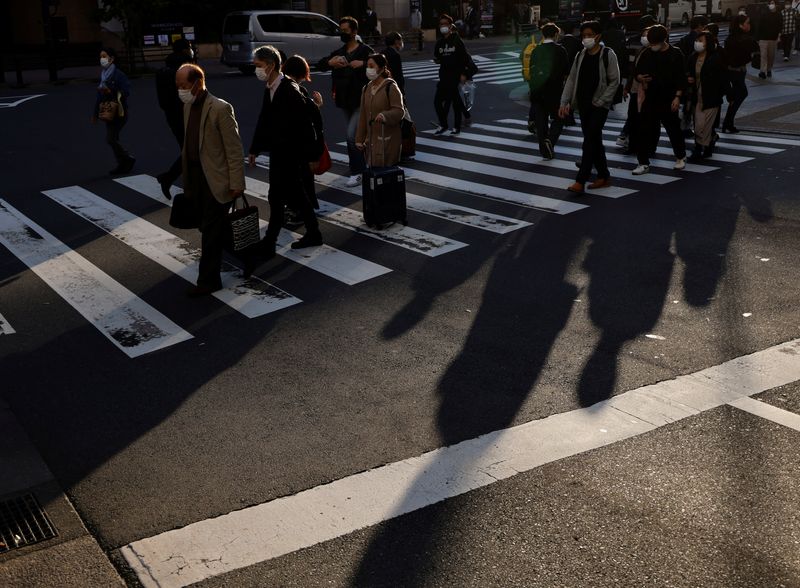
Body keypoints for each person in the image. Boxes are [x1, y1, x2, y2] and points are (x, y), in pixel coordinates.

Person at [247, 46, 323, 270]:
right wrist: (254, 148)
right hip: (279, 152)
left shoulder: (290, 90)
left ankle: (270, 243)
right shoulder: (270, 88)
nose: (257, 70)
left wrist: (311, 156)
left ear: (270, 66)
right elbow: (264, 119)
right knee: (293, 195)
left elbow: (307, 126)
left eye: (258, 66)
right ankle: (313, 233)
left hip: (292, 154)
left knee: (277, 196)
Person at [175, 63, 245, 297]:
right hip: (196, 179)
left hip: (216, 180)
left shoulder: (220, 108)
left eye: (183, 85)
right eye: (178, 86)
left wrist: (236, 183)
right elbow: (189, 145)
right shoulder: (188, 107)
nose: (180, 90)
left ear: (197, 83)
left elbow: (234, 150)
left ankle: (208, 281)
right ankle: (249, 258)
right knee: (211, 228)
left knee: (211, 232)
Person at [558, 20, 620, 193]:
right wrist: (565, 101)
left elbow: (614, 81)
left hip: (600, 105)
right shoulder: (580, 55)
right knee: (594, 140)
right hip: (583, 104)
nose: (586, 38)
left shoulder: (608, 54)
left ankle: (581, 180)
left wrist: (602, 101)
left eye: (590, 35)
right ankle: (604, 176)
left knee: (589, 140)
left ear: (598, 36)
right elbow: (571, 79)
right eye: (584, 35)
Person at [317, 17, 372, 187]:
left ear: (354, 32)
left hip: (361, 100)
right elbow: (320, 65)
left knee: (351, 136)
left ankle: (357, 172)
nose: (342, 33)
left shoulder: (365, 51)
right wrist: (330, 62)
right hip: (344, 99)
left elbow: (383, 65)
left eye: (345, 31)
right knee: (357, 136)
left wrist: (363, 64)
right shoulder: (339, 52)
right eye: (340, 30)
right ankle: (363, 164)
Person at [631, 25, 688, 176]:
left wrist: (677, 97)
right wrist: (640, 78)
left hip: (668, 97)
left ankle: (680, 156)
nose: (652, 46)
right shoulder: (647, 53)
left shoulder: (675, 54)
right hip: (650, 96)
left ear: (664, 40)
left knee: (673, 128)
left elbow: (681, 77)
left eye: (654, 42)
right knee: (643, 129)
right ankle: (643, 162)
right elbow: (636, 72)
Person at [282, 54, 324, 225]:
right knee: (303, 181)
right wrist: (317, 106)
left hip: (291, 146)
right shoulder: (297, 90)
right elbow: (312, 123)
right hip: (302, 147)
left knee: (296, 181)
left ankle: (298, 211)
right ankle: (301, 211)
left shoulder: (284, 87)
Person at [155, 39, 194, 199]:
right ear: (185, 50)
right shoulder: (186, 70)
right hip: (188, 116)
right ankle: (169, 178)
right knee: (192, 152)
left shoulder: (163, 71)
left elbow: (162, 101)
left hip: (172, 117)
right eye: (190, 47)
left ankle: (173, 180)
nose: (191, 50)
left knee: (190, 151)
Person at [526, 23, 569, 160]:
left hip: (538, 91)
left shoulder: (536, 50)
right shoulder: (561, 50)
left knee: (541, 122)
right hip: (555, 91)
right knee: (559, 118)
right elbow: (566, 73)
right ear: (556, 35)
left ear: (543, 35)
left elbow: (532, 71)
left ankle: (545, 151)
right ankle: (550, 140)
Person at [355, 54, 405, 168]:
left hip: (388, 139)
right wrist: (359, 139)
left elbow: (399, 111)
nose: (368, 69)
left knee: (386, 173)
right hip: (371, 140)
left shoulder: (391, 87)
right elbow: (363, 115)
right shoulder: (366, 88)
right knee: (374, 174)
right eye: (367, 66)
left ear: (382, 68)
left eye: (372, 66)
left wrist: (385, 115)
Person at [616, 15, 657, 151]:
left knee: (639, 115)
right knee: (636, 114)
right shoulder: (644, 47)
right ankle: (634, 142)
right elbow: (632, 68)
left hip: (640, 86)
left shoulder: (635, 42)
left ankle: (632, 140)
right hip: (636, 86)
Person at [687, 31, 729, 161]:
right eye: (697, 40)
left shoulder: (715, 58)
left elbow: (723, 77)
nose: (698, 43)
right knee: (699, 124)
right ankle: (708, 145)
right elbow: (688, 73)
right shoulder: (693, 57)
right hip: (697, 97)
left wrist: (729, 94)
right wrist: (689, 78)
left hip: (711, 97)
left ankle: (698, 149)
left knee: (703, 125)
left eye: (701, 40)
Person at [92, 48, 134, 175]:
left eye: (104, 56)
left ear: (112, 58)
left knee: (110, 139)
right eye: (101, 56)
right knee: (112, 139)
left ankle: (127, 159)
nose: (102, 59)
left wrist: (111, 91)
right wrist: (94, 114)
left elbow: (126, 92)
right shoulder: (104, 74)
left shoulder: (118, 74)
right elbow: (99, 97)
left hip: (119, 112)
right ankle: (122, 163)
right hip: (107, 111)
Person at [433, 14, 475, 135]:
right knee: (437, 102)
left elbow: (465, 59)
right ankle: (444, 124)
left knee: (456, 103)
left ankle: (456, 127)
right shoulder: (439, 42)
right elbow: (438, 57)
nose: (443, 26)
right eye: (441, 24)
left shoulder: (457, 41)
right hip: (443, 76)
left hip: (455, 76)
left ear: (451, 26)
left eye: (445, 24)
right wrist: (438, 60)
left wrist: (464, 74)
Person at [722, 15, 758, 133]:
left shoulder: (732, 38)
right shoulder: (742, 39)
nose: (749, 25)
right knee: (741, 94)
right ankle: (727, 122)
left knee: (738, 95)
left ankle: (728, 123)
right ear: (740, 25)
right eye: (747, 23)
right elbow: (752, 51)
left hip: (736, 72)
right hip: (736, 72)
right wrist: (749, 56)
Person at [520, 30, 538, 133]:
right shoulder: (548, 40)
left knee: (535, 100)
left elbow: (521, 56)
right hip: (543, 75)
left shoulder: (530, 40)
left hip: (530, 74)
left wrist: (525, 67)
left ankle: (532, 120)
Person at [758, 2, 782, 78]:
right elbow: (759, 25)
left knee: (771, 56)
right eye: (770, 3)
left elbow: (780, 25)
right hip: (763, 38)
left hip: (773, 38)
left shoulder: (778, 14)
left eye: (773, 3)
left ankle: (769, 69)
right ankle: (762, 71)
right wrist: (758, 38)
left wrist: (779, 35)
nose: (772, 5)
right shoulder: (764, 13)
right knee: (763, 55)